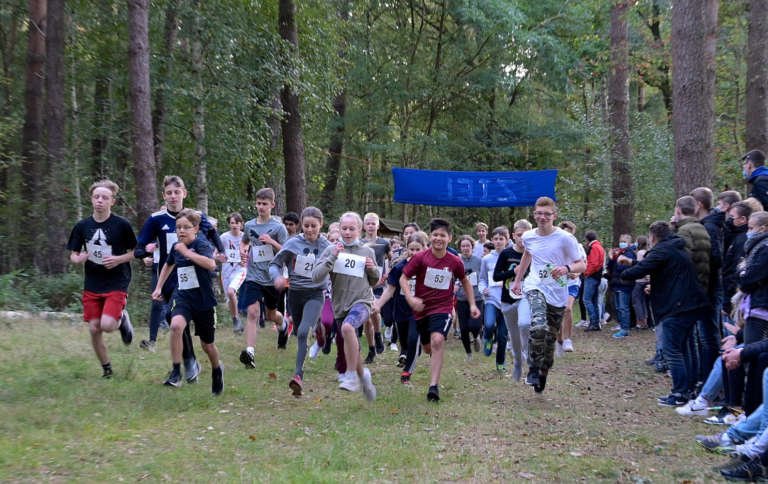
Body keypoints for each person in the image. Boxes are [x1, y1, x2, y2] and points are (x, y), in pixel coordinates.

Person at [133, 175, 225, 383]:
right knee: (173, 321)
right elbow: (139, 247)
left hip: (196, 279)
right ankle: (187, 362)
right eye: (169, 193)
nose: (173, 196)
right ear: (164, 196)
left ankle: (192, 363)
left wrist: (220, 252)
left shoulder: (196, 216)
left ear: (184, 193)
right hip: (169, 278)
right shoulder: (156, 219)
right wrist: (146, 254)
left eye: (177, 192)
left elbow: (212, 234)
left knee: (186, 325)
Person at [620, 221, 709, 406]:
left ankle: (680, 393)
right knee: (685, 348)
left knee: (672, 350)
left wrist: (623, 273)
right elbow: (656, 265)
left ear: (652, 237)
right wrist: (633, 263)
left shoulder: (662, 250)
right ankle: (689, 388)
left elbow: (642, 269)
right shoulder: (677, 247)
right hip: (690, 303)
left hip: (675, 306)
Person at [510, 197, 586, 393]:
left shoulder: (565, 238)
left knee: (550, 340)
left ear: (554, 216)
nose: (542, 217)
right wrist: (518, 280)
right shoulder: (528, 236)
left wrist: (566, 268)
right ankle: (533, 368)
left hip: (558, 292)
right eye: (539, 213)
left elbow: (582, 264)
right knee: (538, 326)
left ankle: (543, 370)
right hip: (535, 286)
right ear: (534, 215)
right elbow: (527, 254)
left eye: (547, 214)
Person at [401, 218, 481, 402]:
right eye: (435, 235)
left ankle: (433, 387)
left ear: (449, 238)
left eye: (442, 235)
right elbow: (403, 278)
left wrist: (472, 304)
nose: (438, 238)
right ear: (430, 237)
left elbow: (465, 281)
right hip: (421, 309)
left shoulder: (454, 261)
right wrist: (410, 298)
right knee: (428, 347)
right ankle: (431, 355)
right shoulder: (420, 258)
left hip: (443, 307)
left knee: (437, 340)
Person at [67, 180, 137, 378]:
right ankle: (107, 369)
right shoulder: (82, 226)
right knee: (94, 328)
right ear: (91, 199)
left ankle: (122, 319)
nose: (100, 201)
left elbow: (137, 251)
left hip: (117, 280)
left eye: (104, 198)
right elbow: (73, 255)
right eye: (96, 197)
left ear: (112, 201)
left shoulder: (122, 225)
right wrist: (79, 258)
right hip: (93, 281)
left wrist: (118, 259)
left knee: (107, 325)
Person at [152, 209, 223, 395]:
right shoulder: (176, 246)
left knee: (208, 346)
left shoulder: (201, 244)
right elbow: (168, 265)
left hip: (204, 301)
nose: (181, 231)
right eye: (178, 228)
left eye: (186, 227)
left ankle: (217, 370)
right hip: (183, 297)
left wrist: (187, 253)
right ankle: (176, 372)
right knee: (175, 326)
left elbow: (211, 264)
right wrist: (158, 287)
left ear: (196, 229)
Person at [312, 212, 378, 401]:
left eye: (352, 229)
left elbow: (373, 281)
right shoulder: (331, 249)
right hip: (340, 305)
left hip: (362, 301)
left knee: (348, 328)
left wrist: (372, 269)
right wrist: (332, 257)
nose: (347, 232)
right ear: (339, 229)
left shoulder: (367, 252)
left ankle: (350, 374)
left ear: (359, 230)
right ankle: (363, 376)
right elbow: (316, 276)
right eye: (344, 228)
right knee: (349, 342)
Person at [269, 207, 331, 396]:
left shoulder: (327, 246)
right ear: (301, 225)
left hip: (315, 293)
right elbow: (275, 264)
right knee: (298, 331)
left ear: (321, 225)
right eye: (306, 226)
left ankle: (298, 376)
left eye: (314, 226)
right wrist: (277, 278)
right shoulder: (293, 243)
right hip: (295, 294)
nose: (310, 230)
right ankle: (319, 329)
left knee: (303, 332)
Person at [239, 188, 289, 367]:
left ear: (272, 205)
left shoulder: (279, 227)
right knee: (253, 312)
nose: (261, 207)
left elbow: (287, 251)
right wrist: (243, 250)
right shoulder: (249, 225)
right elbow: (244, 241)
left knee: (270, 315)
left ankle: (283, 325)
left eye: (264, 204)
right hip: (253, 275)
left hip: (272, 276)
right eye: (258, 203)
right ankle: (250, 352)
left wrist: (272, 242)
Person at [373, 231, 429, 384]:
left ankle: (406, 374)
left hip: (419, 311)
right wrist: (378, 304)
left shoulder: (428, 267)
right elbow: (390, 290)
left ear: (425, 248)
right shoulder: (399, 267)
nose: (414, 253)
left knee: (413, 339)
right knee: (405, 342)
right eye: (411, 249)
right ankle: (406, 352)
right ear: (406, 249)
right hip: (401, 310)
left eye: (418, 249)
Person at [494, 220, 533, 381]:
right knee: (514, 336)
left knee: (524, 324)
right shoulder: (506, 254)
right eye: (519, 235)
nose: (522, 239)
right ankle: (518, 362)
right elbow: (496, 276)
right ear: (513, 236)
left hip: (526, 297)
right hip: (508, 299)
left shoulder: (534, 253)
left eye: (526, 235)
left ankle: (530, 360)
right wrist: (513, 272)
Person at [479, 227, 511, 373]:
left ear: (507, 240)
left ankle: (500, 363)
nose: (498, 242)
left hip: (507, 300)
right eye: (496, 239)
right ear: (492, 240)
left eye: (501, 239)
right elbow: (482, 279)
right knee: (489, 324)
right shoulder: (486, 259)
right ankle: (487, 338)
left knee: (503, 335)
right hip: (491, 298)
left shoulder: (511, 257)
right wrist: (483, 289)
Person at [361, 212, 390, 362]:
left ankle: (378, 334)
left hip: (379, 282)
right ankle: (372, 349)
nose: (371, 226)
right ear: (364, 226)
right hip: (364, 282)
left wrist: (387, 274)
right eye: (368, 223)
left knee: (374, 310)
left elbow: (391, 260)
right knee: (367, 318)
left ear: (378, 226)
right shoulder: (359, 242)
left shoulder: (385, 243)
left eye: (374, 223)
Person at [556, 221, 586, 349]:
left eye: (569, 233)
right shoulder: (554, 246)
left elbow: (583, 264)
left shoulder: (578, 247)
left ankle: (568, 339)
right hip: (557, 283)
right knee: (557, 311)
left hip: (572, 283)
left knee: (567, 308)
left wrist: (577, 273)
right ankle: (559, 339)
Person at [455, 235, 483, 361]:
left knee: (475, 325)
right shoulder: (456, 261)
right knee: (464, 328)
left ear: (472, 247)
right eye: (463, 246)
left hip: (477, 298)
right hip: (462, 298)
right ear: (460, 248)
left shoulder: (479, 261)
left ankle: (476, 337)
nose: (465, 248)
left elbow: (483, 277)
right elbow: (453, 277)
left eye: (468, 246)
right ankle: (468, 353)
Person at [220, 212, 247, 334]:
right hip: (226, 271)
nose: (234, 225)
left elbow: (250, 254)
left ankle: (236, 321)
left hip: (240, 270)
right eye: (232, 223)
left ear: (241, 224)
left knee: (231, 291)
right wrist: (219, 257)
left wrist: (244, 260)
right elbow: (215, 253)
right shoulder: (224, 237)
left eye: (237, 223)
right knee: (230, 298)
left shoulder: (246, 237)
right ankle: (236, 320)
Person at [605, 234, 636, 339]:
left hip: (624, 284)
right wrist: (612, 258)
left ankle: (625, 329)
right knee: (618, 307)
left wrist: (619, 260)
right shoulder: (619, 253)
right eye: (620, 241)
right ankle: (621, 325)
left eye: (624, 241)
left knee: (623, 307)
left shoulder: (629, 254)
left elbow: (624, 267)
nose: (621, 243)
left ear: (629, 243)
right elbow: (611, 267)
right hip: (616, 283)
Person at [582, 231, 605, 332]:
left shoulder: (594, 247)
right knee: (594, 300)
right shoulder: (599, 246)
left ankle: (593, 322)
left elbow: (594, 263)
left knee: (586, 299)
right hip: (597, 276)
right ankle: (596, 322)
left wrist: (586, 273)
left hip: (592, 276)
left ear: (587, 239)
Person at [630, 236, 650, 330]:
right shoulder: (647, 252)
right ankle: (644, 321)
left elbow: (639, 266)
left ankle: (641, 322)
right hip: (645, 281)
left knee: (636, 301)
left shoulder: (640, 253)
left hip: (639, 281)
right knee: (643, 302)